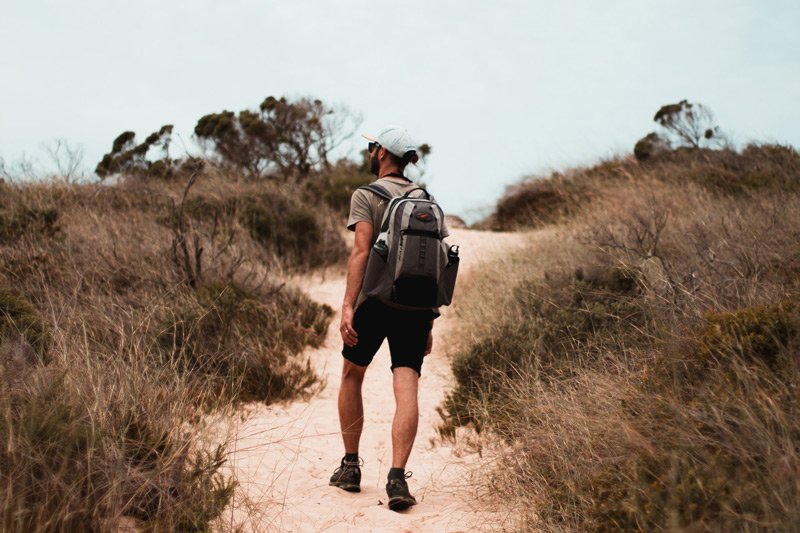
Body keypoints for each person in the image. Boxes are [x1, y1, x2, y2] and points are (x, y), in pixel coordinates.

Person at [328, 126, 448, 512]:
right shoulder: (425, 199)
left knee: (352, 375)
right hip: (415, 308)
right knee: (407, 385)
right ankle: (397, 477)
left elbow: (361, 252)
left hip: (375, 303)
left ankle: (350, 467)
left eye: (372, 145)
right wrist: (429, 320)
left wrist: (348, 305)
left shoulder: (366, 195)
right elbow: (434, 265)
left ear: (381, 153)